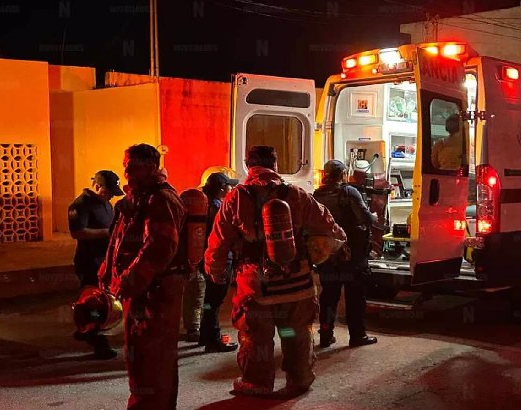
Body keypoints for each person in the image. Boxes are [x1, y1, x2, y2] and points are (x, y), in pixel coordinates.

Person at [204, 146, 347, 398]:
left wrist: (215, 271)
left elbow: (218, 241)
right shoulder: (296, 194)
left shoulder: (235, 198)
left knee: (255, 337)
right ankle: (299, 379)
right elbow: (330, 228)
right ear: (275, 164)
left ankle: (256, 383)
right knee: (296, 333)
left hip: (255, 284)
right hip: (297, 282)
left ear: (249, 165)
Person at [99, 144, 187, 410]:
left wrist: (130, 279)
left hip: (155, 294)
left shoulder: (160, 199)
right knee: (141, 356)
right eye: (125, 165)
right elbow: (119, 240)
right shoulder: (139, 198)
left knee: (152, 358)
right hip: (142, 292)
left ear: (150, 167)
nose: (126, 172)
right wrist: (107, 272)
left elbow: (160, 246)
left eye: (133, 166)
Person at [313, 160, 378, 348]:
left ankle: (326, 335)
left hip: (328, 254)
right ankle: (357, 335)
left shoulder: (316, 196)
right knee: (355, 297)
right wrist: (374, 216)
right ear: (342, 174)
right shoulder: (349, 192)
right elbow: (366, 218)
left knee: (329, 296)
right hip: (352, 254)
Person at [68, 170, 124, 360]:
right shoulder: (80, 205)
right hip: (89, 262)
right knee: (95, 303)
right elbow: (77, 232)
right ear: (97, 186)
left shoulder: (106, 204)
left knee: (102, 302)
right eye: (108, 192)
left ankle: (86, 329)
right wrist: (107, 233)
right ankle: (99, 343)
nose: (110, 196)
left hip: (104, 261)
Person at [182, 171, 239, 352]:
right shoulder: (218, 207)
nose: (231, 188)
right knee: (214, 301)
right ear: (222, 189)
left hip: (203, 257)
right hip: (220, 259)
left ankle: (205, 335)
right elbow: (225, 235)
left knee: (208, 299)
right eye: (229, 185)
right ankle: (212, 339)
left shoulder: (203, 205)